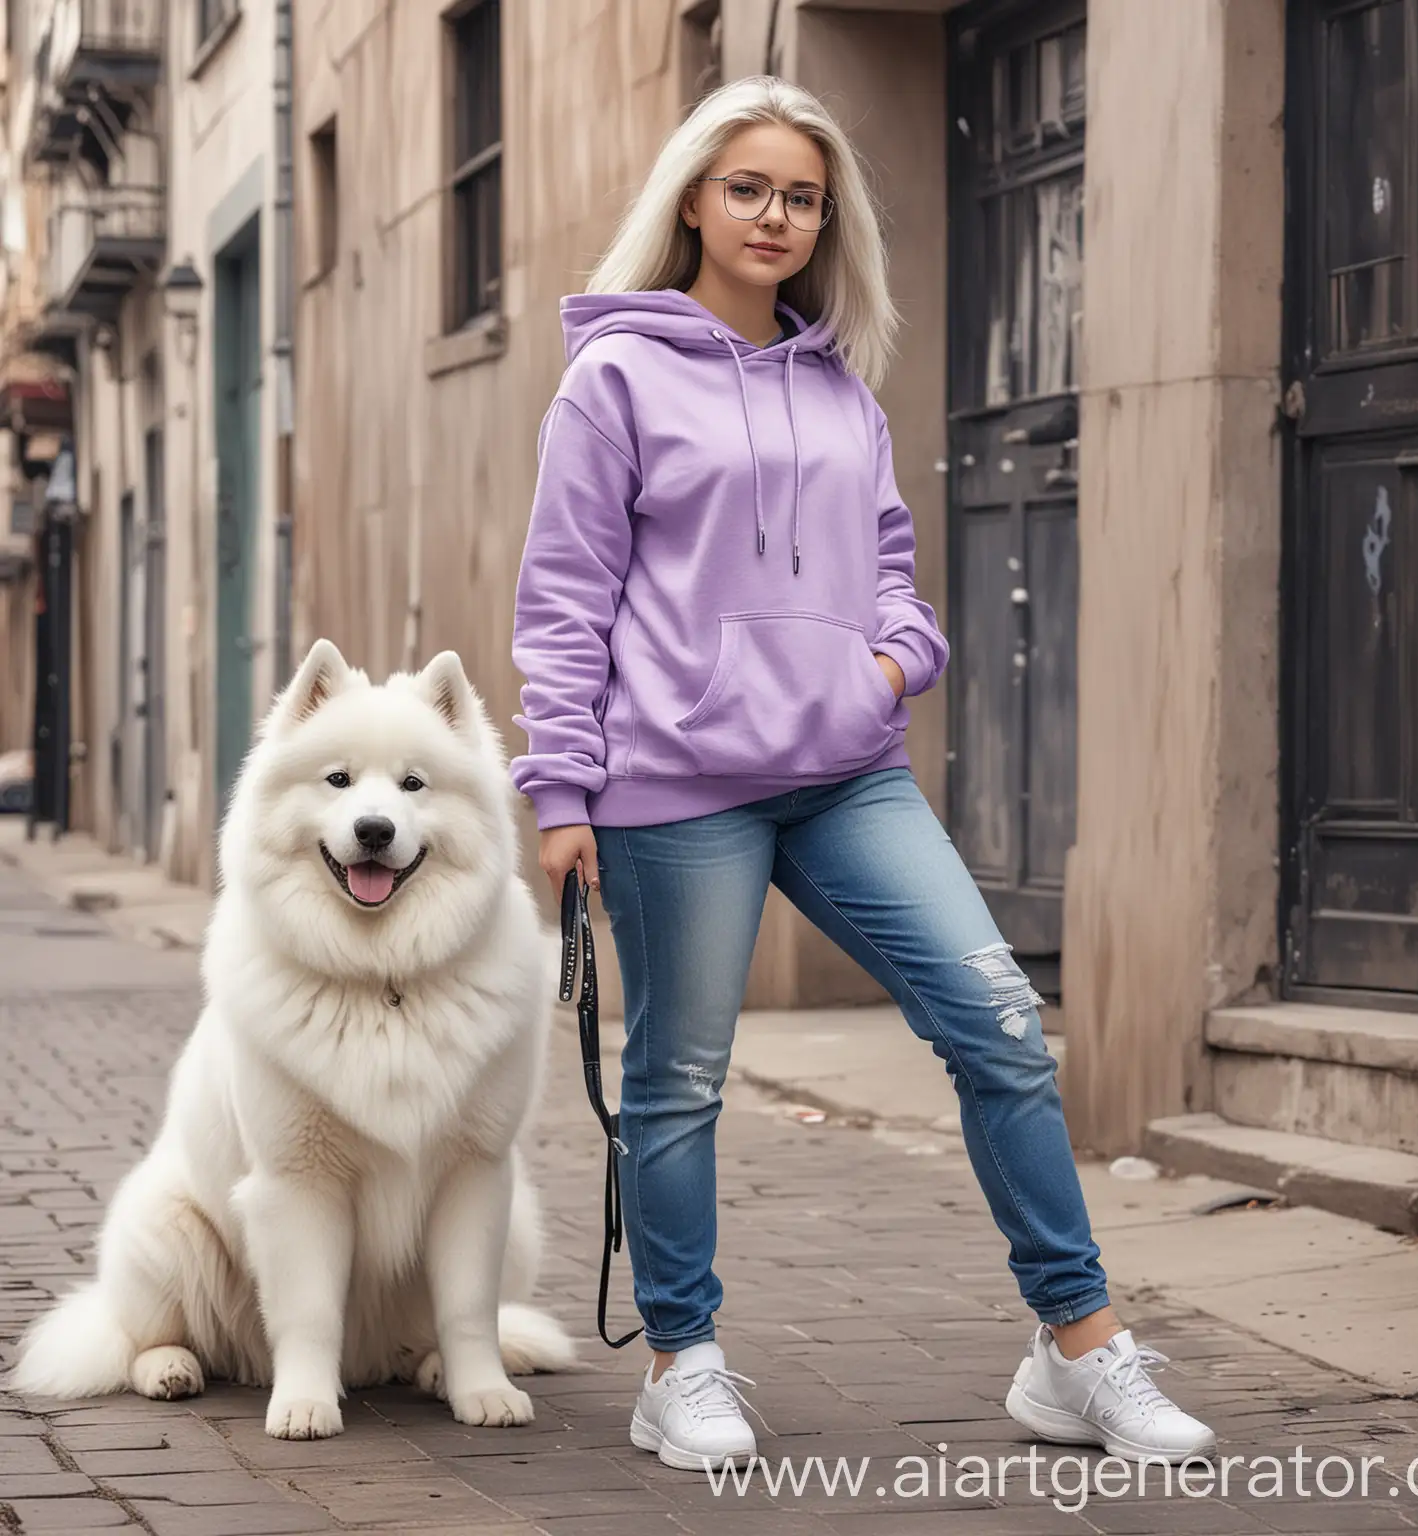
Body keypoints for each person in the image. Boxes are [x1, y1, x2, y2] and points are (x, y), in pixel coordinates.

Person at [510, 74, 1216, 1474]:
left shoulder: (842, 386)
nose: (777, 217)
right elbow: (564, 598)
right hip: (676, 784)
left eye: (804, 198)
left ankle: (1077, 1349)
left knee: (1001, 1025)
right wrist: (561, 793)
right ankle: (683, 1363)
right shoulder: (615, 380)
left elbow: (895, 577)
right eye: (750, 189)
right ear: (694, 202)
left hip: (847, 774)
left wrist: (887, 667)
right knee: (679, 1083)